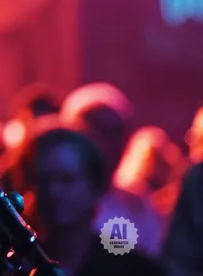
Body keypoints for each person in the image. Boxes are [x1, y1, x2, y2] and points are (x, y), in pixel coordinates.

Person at [9, 125, 164, 276]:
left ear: (96, 187)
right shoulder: (10, 266)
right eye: (41, 180)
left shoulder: (135, 270)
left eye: (66, 179)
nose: (53, 192)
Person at [60, 82, 164, 256]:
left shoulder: (137, 205)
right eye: (94, 131)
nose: (105, 144)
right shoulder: (55, 199)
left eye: (114, 133)